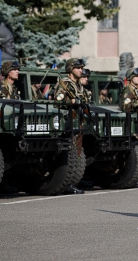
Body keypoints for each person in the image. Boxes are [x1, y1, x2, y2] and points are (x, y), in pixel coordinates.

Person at [51, 58, 88, 195]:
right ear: (71, 68)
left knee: (77, 153)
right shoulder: (65, 84)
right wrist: (71, 100)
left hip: (78, 122)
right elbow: (57, 101)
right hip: (68, 122)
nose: (80, 70)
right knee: (70, 153)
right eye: (78, 68)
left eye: (81, 68)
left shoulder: (78, 85)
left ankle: (73, 181)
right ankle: (67, 184)